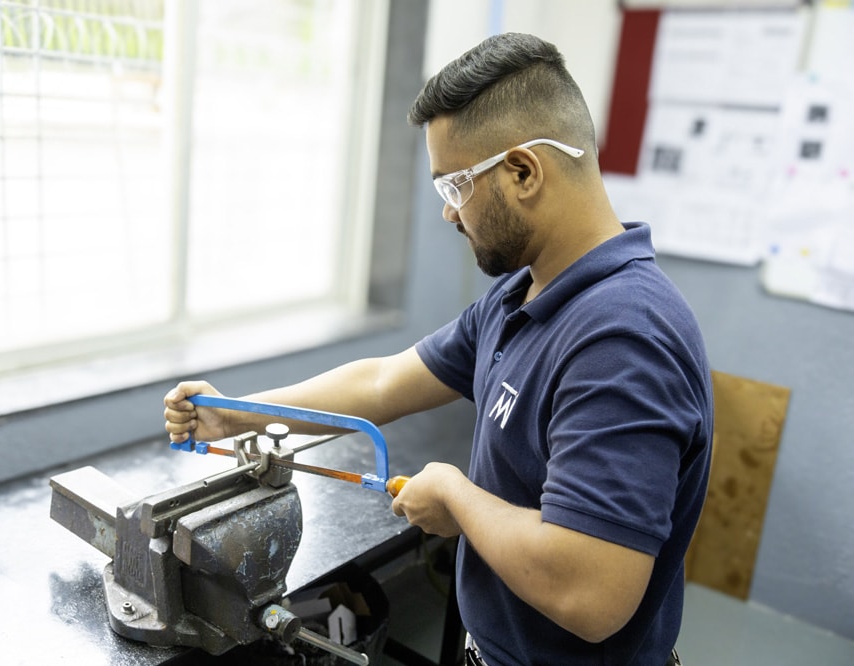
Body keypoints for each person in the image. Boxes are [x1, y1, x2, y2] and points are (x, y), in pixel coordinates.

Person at [165, 32, 712, 666]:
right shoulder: (524, 293)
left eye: (455, 186)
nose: (450, 214)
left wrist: (457, 496)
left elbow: (590, 592)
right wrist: (238, 412)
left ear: (523, 172)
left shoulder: (623, 339)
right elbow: (383, 383)